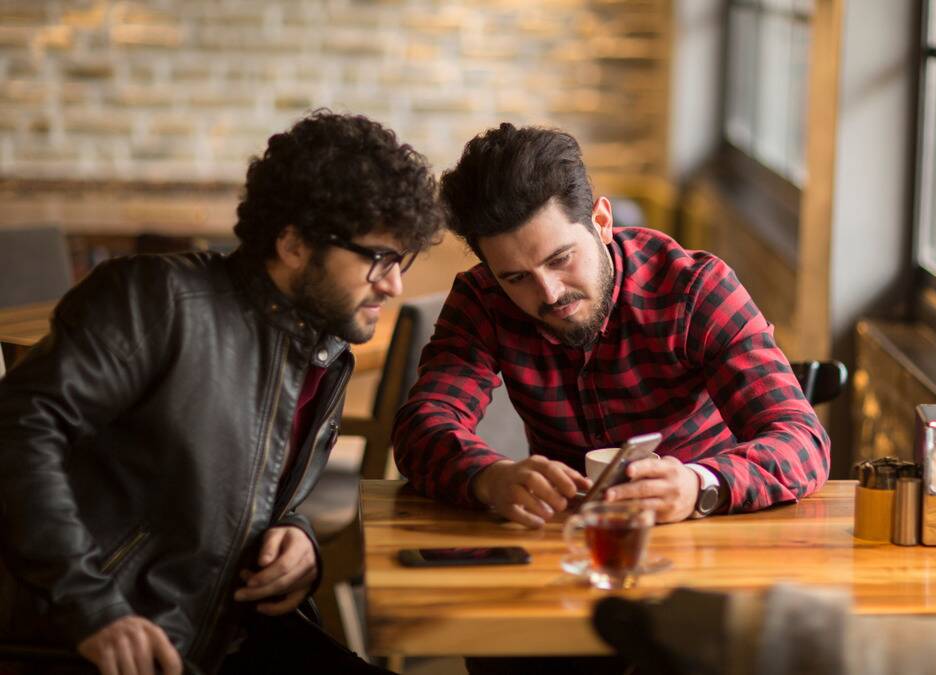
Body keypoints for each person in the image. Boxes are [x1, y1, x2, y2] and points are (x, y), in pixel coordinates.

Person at [0, 111, 443, 675]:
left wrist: (299, 539)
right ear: (294, 244)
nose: (395, 283)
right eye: (378, 258)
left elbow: (255, 495)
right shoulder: (157, 300)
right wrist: (91, 607)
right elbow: (17, 429)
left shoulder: (325, 352)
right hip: (112, 644)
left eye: (401, 259)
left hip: (229, 635)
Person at [393, 122, 830, 530]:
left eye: (560, 259)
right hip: (569, 539)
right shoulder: (482, 299)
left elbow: (803, 442)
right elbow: (422, 428)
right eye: (516, 277)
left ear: (602, 222)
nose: (548, 293)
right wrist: (489, 477)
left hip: (706, 529)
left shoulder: (695, 290)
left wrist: (700, 485)